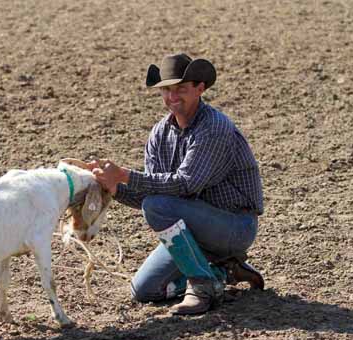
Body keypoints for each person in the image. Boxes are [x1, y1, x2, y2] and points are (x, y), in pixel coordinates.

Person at [88, 53, 265, 315]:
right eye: (167, 90)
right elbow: (151, 195)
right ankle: (220, 270)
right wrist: (113, 188)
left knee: (158, 205)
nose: (172, 97)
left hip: (234, 226)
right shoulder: (159, 133)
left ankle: (203, 286)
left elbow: (185, 185)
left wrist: (124, 175)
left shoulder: (214, 127)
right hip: (192, 229)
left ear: (200, 88)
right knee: (145, 291)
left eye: (181, 89)